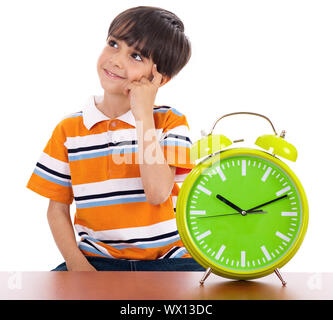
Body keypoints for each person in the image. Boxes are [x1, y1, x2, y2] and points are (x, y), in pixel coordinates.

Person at [27, 6, 205, 272]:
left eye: (135, 56)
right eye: (113, 44)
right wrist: (78, 266)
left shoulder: (170, 122)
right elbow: (56, 210)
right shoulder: (68, 130)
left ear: (159, 79)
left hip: (171, 261)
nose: (116, 60)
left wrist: (143, 113)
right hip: (96, 260)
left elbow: (157, 193)